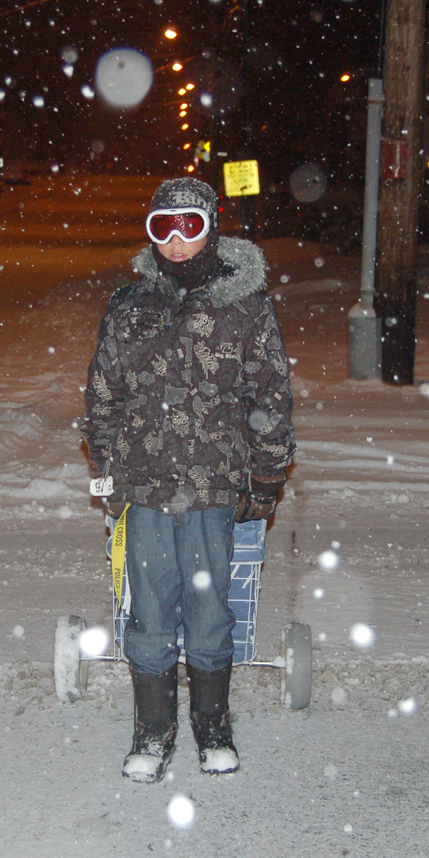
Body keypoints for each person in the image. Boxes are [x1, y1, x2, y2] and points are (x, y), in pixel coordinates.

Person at [82, 177, 295, 783]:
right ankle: (153, 731)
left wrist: (266, 476)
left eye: (190, 227)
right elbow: (104, 396)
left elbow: (270, 395)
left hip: (213, 488)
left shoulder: (245, 305)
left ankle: (212, 725)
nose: (176, 242)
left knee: (209, 611)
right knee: (148, 612)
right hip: (146, 491)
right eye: (163, 228)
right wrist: (108, 471)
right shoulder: (129, 306)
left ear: (210, 229)